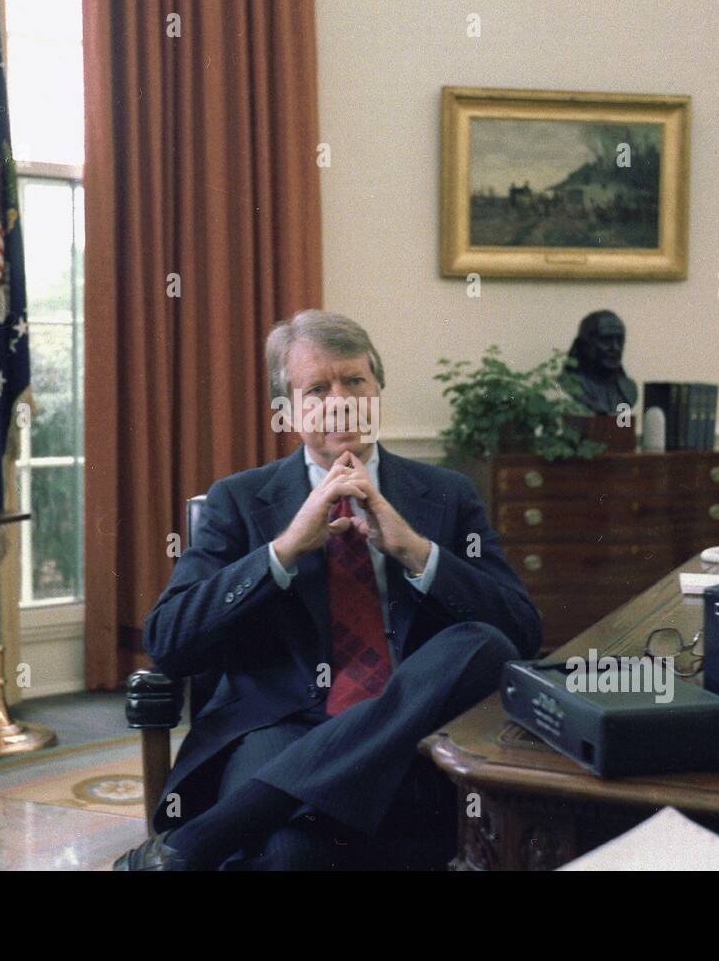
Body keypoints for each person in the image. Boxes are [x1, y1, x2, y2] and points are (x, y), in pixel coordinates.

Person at [114, 310, 542, 870]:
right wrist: (284, 550)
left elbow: (521, 631)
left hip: (408, 730)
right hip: (279, 725)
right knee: (292, 855)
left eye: (354, 381)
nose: (340, 400)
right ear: (288, 412)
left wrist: (414, 550)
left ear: (378, 391)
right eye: (317, 388)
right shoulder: (240, 501)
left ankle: (195, 844)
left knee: (481, 642)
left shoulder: (446, 495)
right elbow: (169, 640)